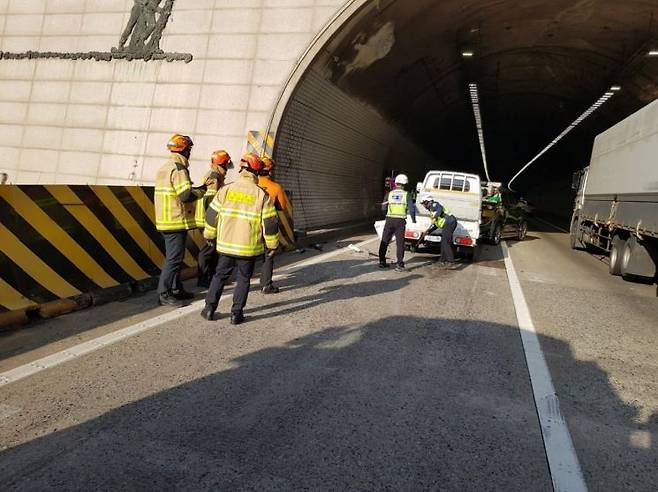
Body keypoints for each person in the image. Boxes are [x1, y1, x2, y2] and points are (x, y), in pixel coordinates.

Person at [201, 153, 279, 325]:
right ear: (256, 172)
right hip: (248, 248)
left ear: (242, 170)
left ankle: (209, 308)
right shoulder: (261, 195)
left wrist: (209, 235)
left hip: (226, 245)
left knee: (219, 275)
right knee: (243, 279)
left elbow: (211, 214)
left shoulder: (226, 190)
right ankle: (236, 313)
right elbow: (270, 223)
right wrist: (272, 245)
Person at [154, 134, 206, 306]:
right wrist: (202, 191)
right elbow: (185, 195)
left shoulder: (165, 167)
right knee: (174, 258)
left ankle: (176, 289)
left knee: (175, 257)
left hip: (166, 220)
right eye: (189, 149)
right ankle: (165, 292)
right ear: (185, 150)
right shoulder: (179, 168)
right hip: (174, 221)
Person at [196, 150, 233, 288]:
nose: (227, 168)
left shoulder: (215, 176)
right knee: (208, 250)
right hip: (208, 220)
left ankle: (211, 276)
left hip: (207, 219)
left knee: (213, 250)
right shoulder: (214, 178)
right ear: (221, 163)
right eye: (226, 164)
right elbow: (212, 201)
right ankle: (204, 278)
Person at [257, 157, 290, 294]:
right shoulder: (275, 187)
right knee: (268, 254)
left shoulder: (252, 185)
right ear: (270, 171)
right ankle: (266, 284)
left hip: (248, 224)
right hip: (268, 225)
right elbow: (282, 206)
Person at [378, 173, 416, 272]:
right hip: (400, 221)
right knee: (400, 243)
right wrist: (413, 219)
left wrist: (385, 215)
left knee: (385, 240)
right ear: (404, 184)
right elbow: (412, 209)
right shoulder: (407, 195)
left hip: (389, 219)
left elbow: (383, 208)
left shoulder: (389, 194)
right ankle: (399, 264)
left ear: (396, 183)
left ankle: (382, 261)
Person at [420, 199, 458, 265]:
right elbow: (436, 224)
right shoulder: (431, 212)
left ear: (429, 202)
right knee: (444, 242)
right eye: (423, 204)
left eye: (425, 204)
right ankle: (442, 260)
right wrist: (429, 231)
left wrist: (435, 217)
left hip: (450, 223)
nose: (424, 206)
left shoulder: (435, 204)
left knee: (445, 242)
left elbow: (439, 210)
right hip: (446, 225)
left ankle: (451, 261)